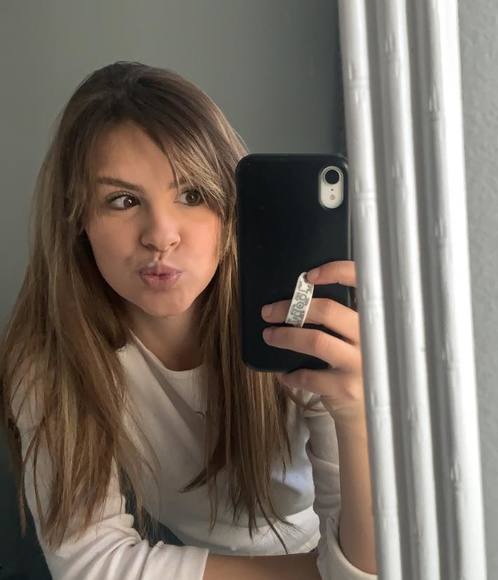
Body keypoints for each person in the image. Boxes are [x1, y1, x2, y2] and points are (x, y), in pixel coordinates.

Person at [0, 61, 377, 579]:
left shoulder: (298, 324)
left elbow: (372, 566)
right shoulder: (52, 356)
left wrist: (356, 414)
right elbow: (91, 563)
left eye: (192, 194)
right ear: (78, 218)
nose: (161, 235)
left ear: (229, 207)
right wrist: (321, 574)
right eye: (122, 200)